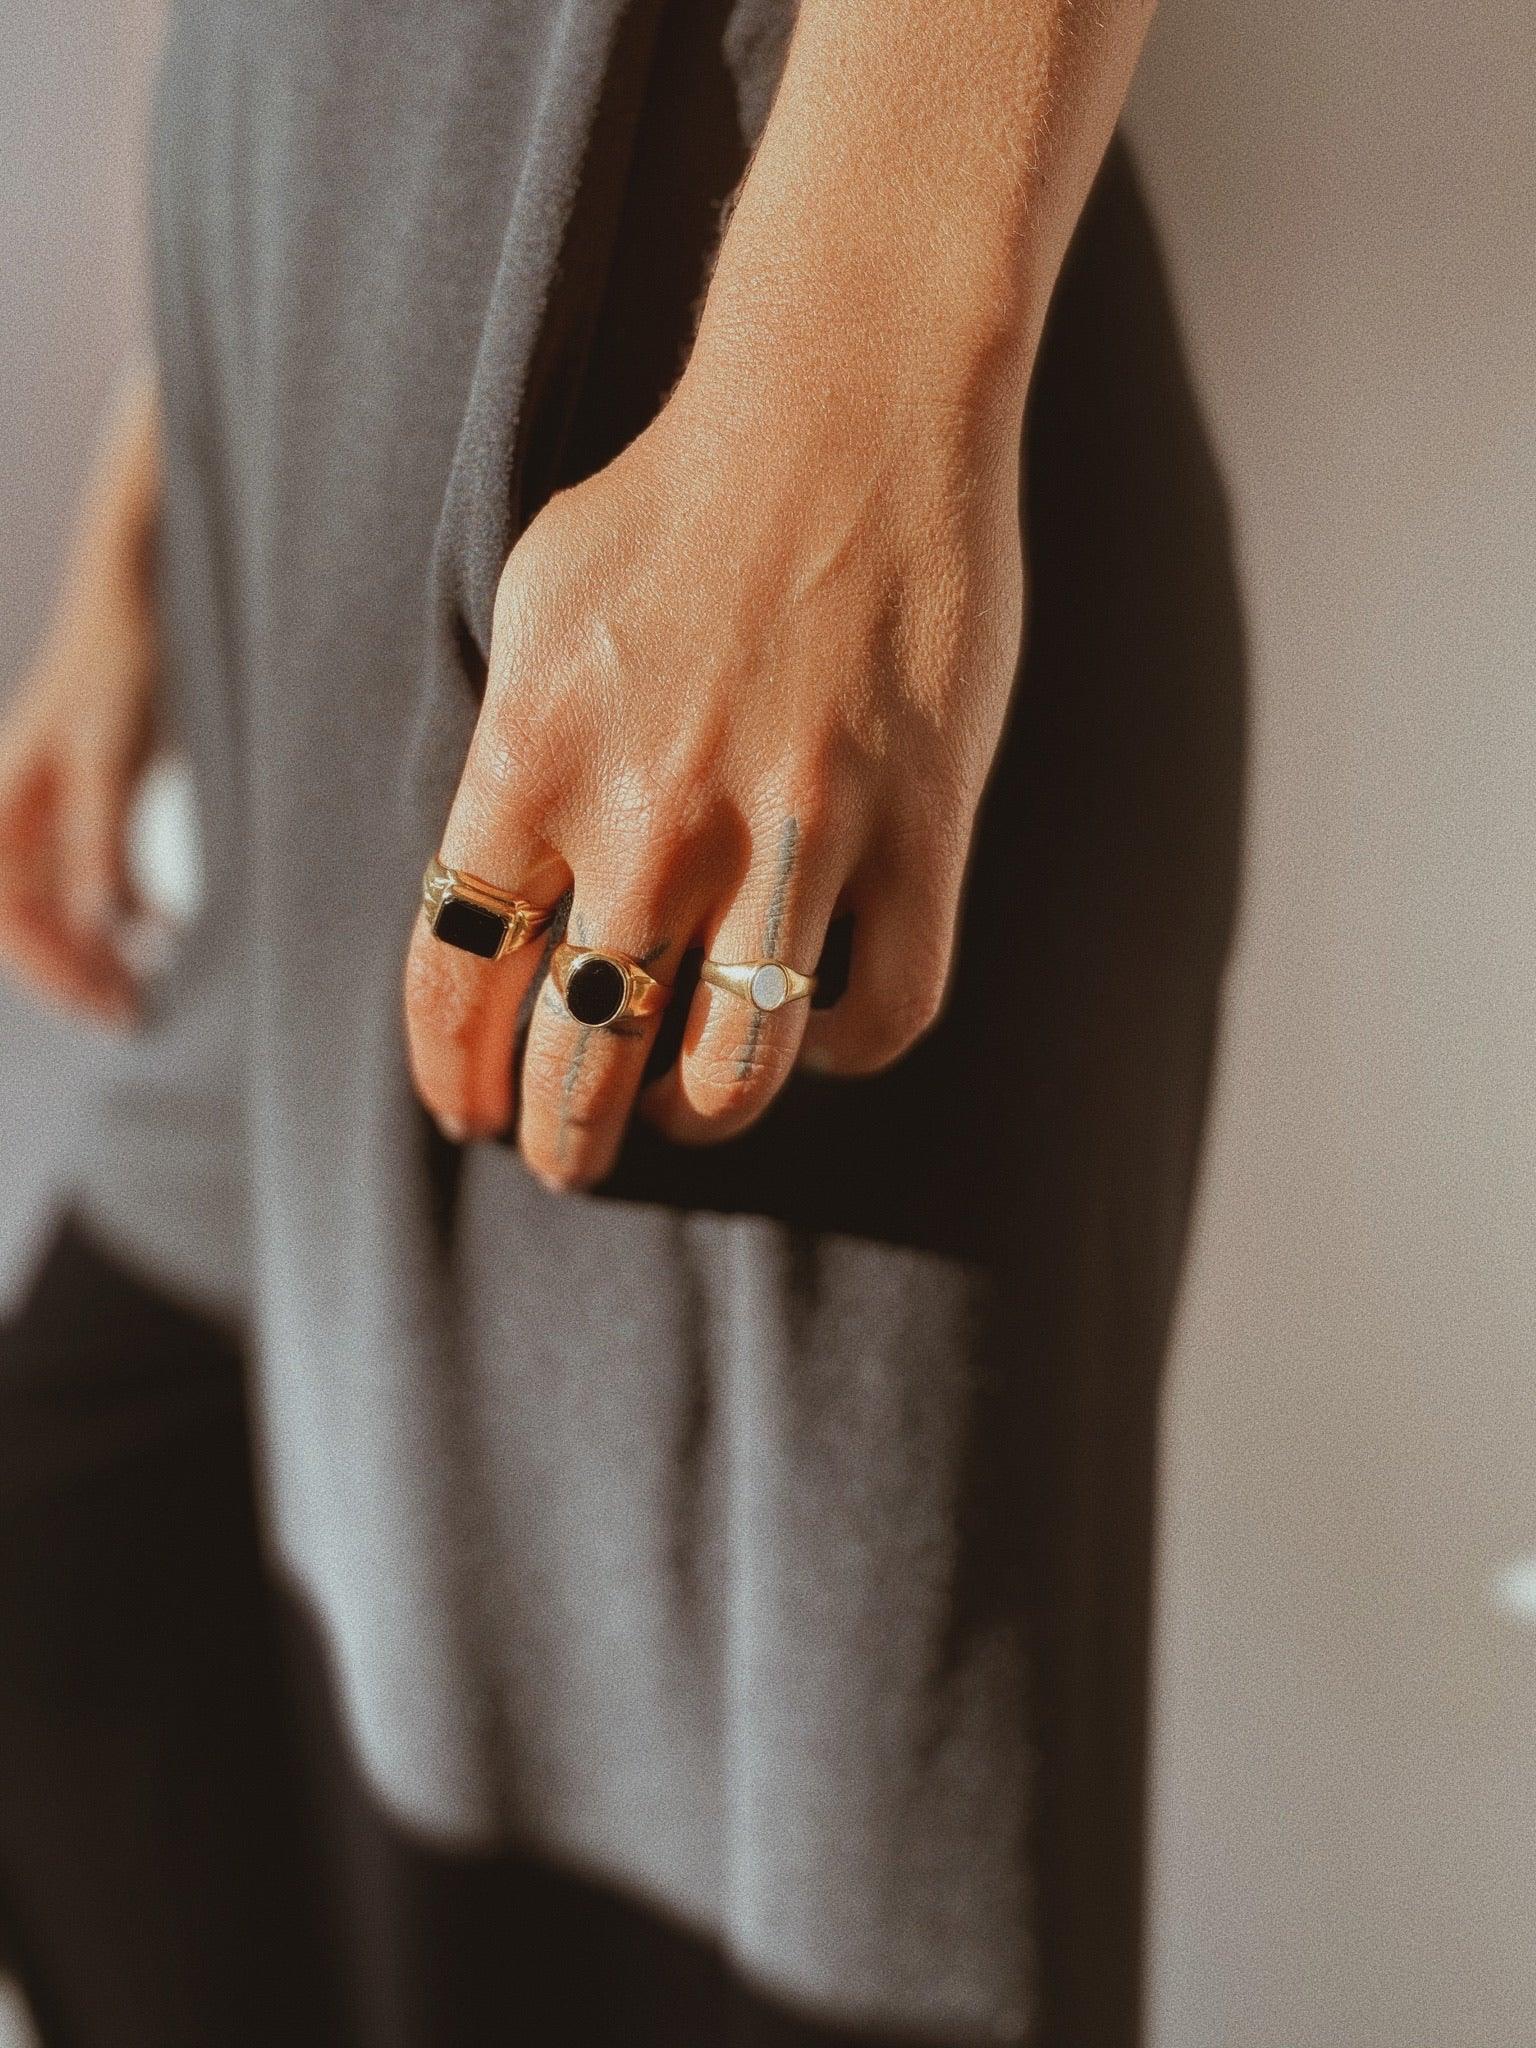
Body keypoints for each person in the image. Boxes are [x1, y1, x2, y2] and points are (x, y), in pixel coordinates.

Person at [0, 0, 1246, 2041]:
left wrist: (865, 364)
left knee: (654, 1969)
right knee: (100, 1605)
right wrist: (161, 480)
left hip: (678, 361)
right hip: (292, 437)